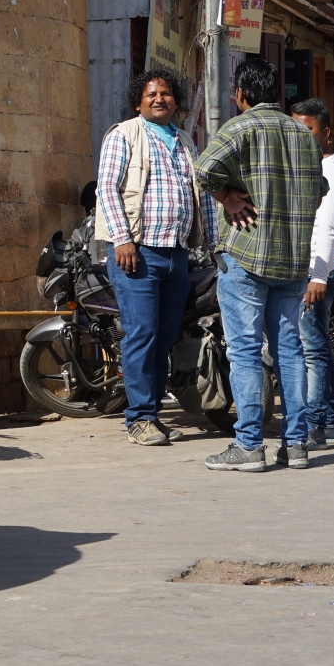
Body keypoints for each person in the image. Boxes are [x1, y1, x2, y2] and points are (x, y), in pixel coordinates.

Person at [195, 57, 325, 472]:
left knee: (246, 351)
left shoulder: (240, 126)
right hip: (292, 258)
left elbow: (203, 169)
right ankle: (297, 445)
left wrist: (228, 197)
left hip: (247, 254)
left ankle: (250, 445)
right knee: (290, 351)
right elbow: (319, 188)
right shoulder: (303, 134)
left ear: (240, 95)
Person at [95, 69, 217, 447]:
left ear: (175, 101)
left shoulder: (185, 142)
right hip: (137, 253)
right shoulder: (124, 135)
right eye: (151, 94)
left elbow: (203, 198)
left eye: (165, 93)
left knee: (164, 336)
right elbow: (108, 189)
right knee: (142, 334)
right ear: (138, 101)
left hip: (176, 255)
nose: (159, 98)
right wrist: (122, 239)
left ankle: (153, 415)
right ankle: (140, 419)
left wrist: (214, 246)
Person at [291, 98, 334, 451]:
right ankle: (328, 423)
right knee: (318, 349)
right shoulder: (311, 167)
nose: (301, 136)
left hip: (317, 271)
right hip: (318, 270)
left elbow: (327, 229)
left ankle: (314, 423)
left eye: (308, 130)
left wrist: (315, 276)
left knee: (311, 351)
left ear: (326, 133)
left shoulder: (331, 173)